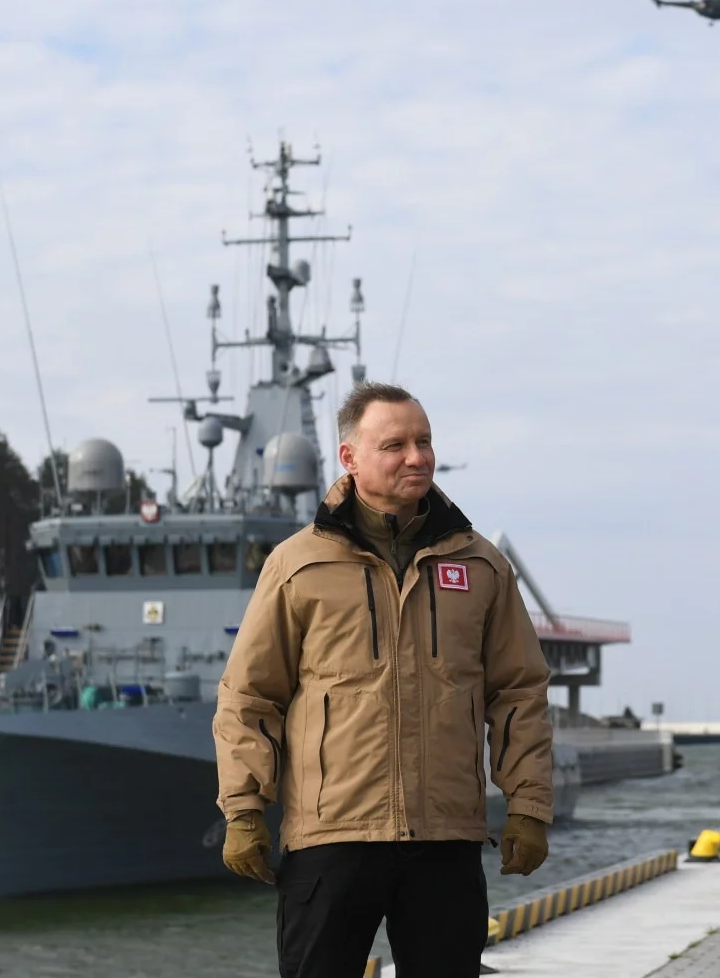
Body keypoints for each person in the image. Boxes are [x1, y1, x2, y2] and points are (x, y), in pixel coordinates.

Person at [213, 382, 554, 978]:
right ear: (350, 457)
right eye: (395, 444)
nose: (417, 456)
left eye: (424, 442)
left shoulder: (479, 566)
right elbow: (249, 696)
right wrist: (243, 810)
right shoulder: (297, 565)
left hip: (444, 840)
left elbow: (518, 691)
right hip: (330, 838)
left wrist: (527, 805)